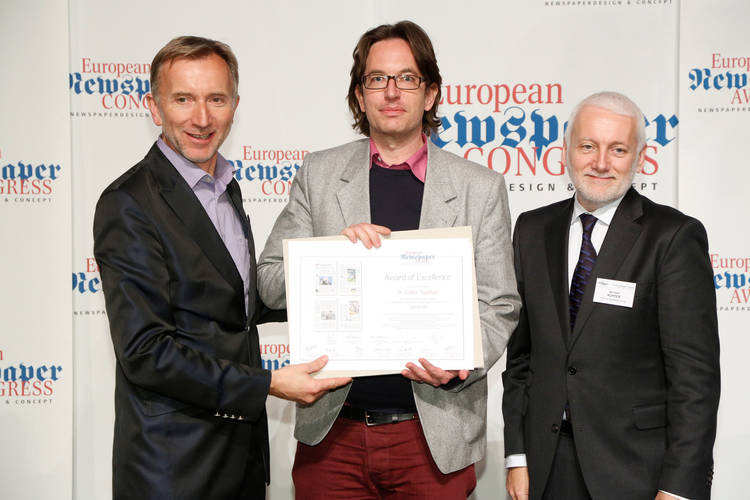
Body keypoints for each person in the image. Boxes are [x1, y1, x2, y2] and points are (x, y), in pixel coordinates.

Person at [257, 21, 520, 498]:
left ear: (431, 93)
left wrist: (461, 365)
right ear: (360, 97)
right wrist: (331, 257)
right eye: (377, 79)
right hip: (333, 436)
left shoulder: (479, 188)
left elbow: (499, 304)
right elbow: (269, 284)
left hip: (433, 436)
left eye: (407, 78)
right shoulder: (318, 174)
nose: (392, 91)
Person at [93, 35, 350, 500]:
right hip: (174, 467)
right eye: (183, 99)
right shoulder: (129, 203)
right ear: (154, 107)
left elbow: (237, 305)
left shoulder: (225, 187)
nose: (202, 118)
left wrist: (348, 270)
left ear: (235, 105)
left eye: (216, 99)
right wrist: (268, 383)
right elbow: (145, 351)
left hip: (241, 456)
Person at [502, 91, 720, 500]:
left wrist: (678, 488)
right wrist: (517, 455)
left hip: (636, 472)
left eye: (618, 149)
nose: (601, 163)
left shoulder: (673, 237)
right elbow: (520, 360)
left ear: (640, 157)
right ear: (566, 151)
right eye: (588, 146)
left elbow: (695, 379)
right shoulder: (532, 229)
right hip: (546, 467)